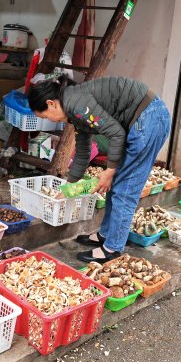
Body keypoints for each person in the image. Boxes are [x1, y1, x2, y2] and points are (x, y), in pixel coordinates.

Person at [27, 76, 171, 263]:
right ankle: (106, 235)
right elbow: (83, 152)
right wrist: (67, 188)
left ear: (51, 103)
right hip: (145, 119)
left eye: (45, 116)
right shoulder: (73, 109)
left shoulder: (76, 104)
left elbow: (116, 134)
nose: (50, 120)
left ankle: (112, 249)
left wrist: (109, 171)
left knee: (125, 190)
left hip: (149, 119)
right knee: (116, 186)